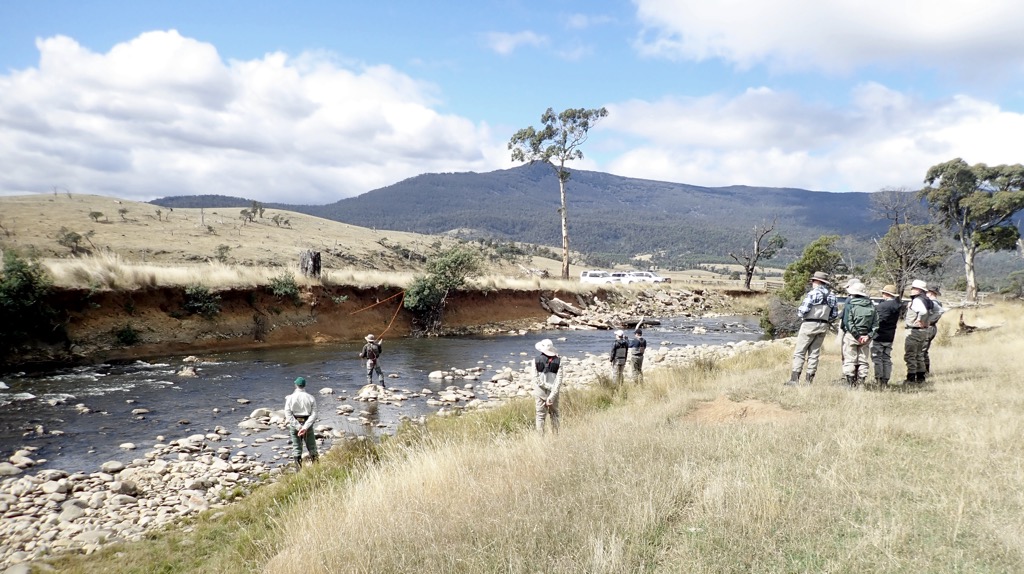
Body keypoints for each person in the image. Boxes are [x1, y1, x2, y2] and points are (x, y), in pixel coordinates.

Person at [786, 271, 839, 385]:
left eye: (813, 281)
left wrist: (801, 315)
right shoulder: (832, 296)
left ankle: (794, 379)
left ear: (818, 281)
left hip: (809, 324)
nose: (812, 283)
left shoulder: (812, 294)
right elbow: (834, 314)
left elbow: (803, 311)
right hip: (823, 325)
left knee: (800, 352)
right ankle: (809, 381)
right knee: (814, 353)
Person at [839, 282, 878, 387]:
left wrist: (857, 335)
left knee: (850, 359)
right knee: (863, 360)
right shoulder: (871, 306)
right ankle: (861, 383)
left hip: (852, 336)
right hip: (866, 337)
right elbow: (875, 324)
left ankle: (851, 384)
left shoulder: (850, 305)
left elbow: (848, 322)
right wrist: (869, 335)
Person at [903, 279, 934, 385]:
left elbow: (923, 311)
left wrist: (920, 319)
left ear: (919, 290)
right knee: (919, 355)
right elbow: (938, 310)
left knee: (910, 355)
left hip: (914, 330)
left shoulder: (917, 300)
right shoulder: (928, 300)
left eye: (914, 288)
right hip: (923, 331)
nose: (912, 290)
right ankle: (921, 378)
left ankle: (910, 378)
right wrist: (929, 321)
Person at [871, 284, 901, 388]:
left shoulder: (882, 306)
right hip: (890, 335)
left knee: (877, 358)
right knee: (886, 358)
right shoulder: (897, 305)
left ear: (886, 294)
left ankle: (879, 379)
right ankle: (886, 379)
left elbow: (878, 321)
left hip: (879, 335)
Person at [284, 376, 318, 469]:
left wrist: (298, 427)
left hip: (295, 424)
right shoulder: (311, 398)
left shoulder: (290, 398)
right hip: (307, 424)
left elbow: (288, 414)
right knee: (312, 447)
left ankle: (298, 470)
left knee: (296, 448)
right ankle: (317, 468)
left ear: (295, 385)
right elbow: (314, 414)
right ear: (304, 385)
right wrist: (305, 427)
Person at [532, 339, 563, 434]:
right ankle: (556, 436)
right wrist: (552, 392)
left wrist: (546, 386)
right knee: (554, 415)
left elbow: (536, 379)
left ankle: (540, 438)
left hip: (540, 392)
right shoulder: (559, 361)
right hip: (553, 392)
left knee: (540, 416)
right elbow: (559, 380)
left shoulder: (535, 360)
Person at [922, 286, 945, 375]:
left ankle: (923, 372)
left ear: (930, 293)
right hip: (931, 327)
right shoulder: (936, 302)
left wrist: (929, 321)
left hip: (929, 328)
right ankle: (925, 371)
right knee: (924, 350)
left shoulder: (933, 303)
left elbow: (940, 311)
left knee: (922, 350)